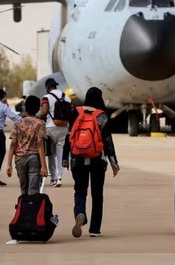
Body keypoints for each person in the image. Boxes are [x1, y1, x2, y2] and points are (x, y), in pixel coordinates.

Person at [62, 86, 119, 238]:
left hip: (77, 158)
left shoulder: (75, 112)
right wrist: (114, 162)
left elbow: (68, 136)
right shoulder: (102, 115)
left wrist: (65, 158)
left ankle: (80, 213)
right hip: (97, 160)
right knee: (97, 194)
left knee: (80, 190)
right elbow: (107, 141)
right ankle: (94, 229)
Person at [6, 95, 47, 195]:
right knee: (33, 190)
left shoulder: (18, 123)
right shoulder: (40, 123)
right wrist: (44, 166)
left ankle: (24, 205)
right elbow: (40, 143)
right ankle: (32, 205)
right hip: (34, 158)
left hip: (20, 159)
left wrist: (9, 164)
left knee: (23, 189)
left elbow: (13, 144)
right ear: (38, 108)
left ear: (25, 107)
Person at [39, 78, 71, 187]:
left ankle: (53, 178)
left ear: (47, 87)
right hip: (64, 127)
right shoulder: (66, 97)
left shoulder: (46, 97)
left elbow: (44, 111)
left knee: (51, 154)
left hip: (50, 127)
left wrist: (38, 117)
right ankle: (59, 177)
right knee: (60, 153)